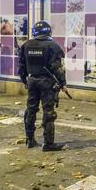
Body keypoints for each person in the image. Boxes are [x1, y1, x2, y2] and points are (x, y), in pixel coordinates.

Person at [18, 20, 69, 152]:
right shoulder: (53, 46)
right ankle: (48, 143)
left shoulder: (26, 45)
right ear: (48, 31)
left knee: (31, 110)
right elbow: (58, 68)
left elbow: (21, 66)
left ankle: (30, 140)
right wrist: (63, 83)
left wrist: (24, 80)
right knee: (48, 112)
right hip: (46, 82)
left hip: (32, 81)